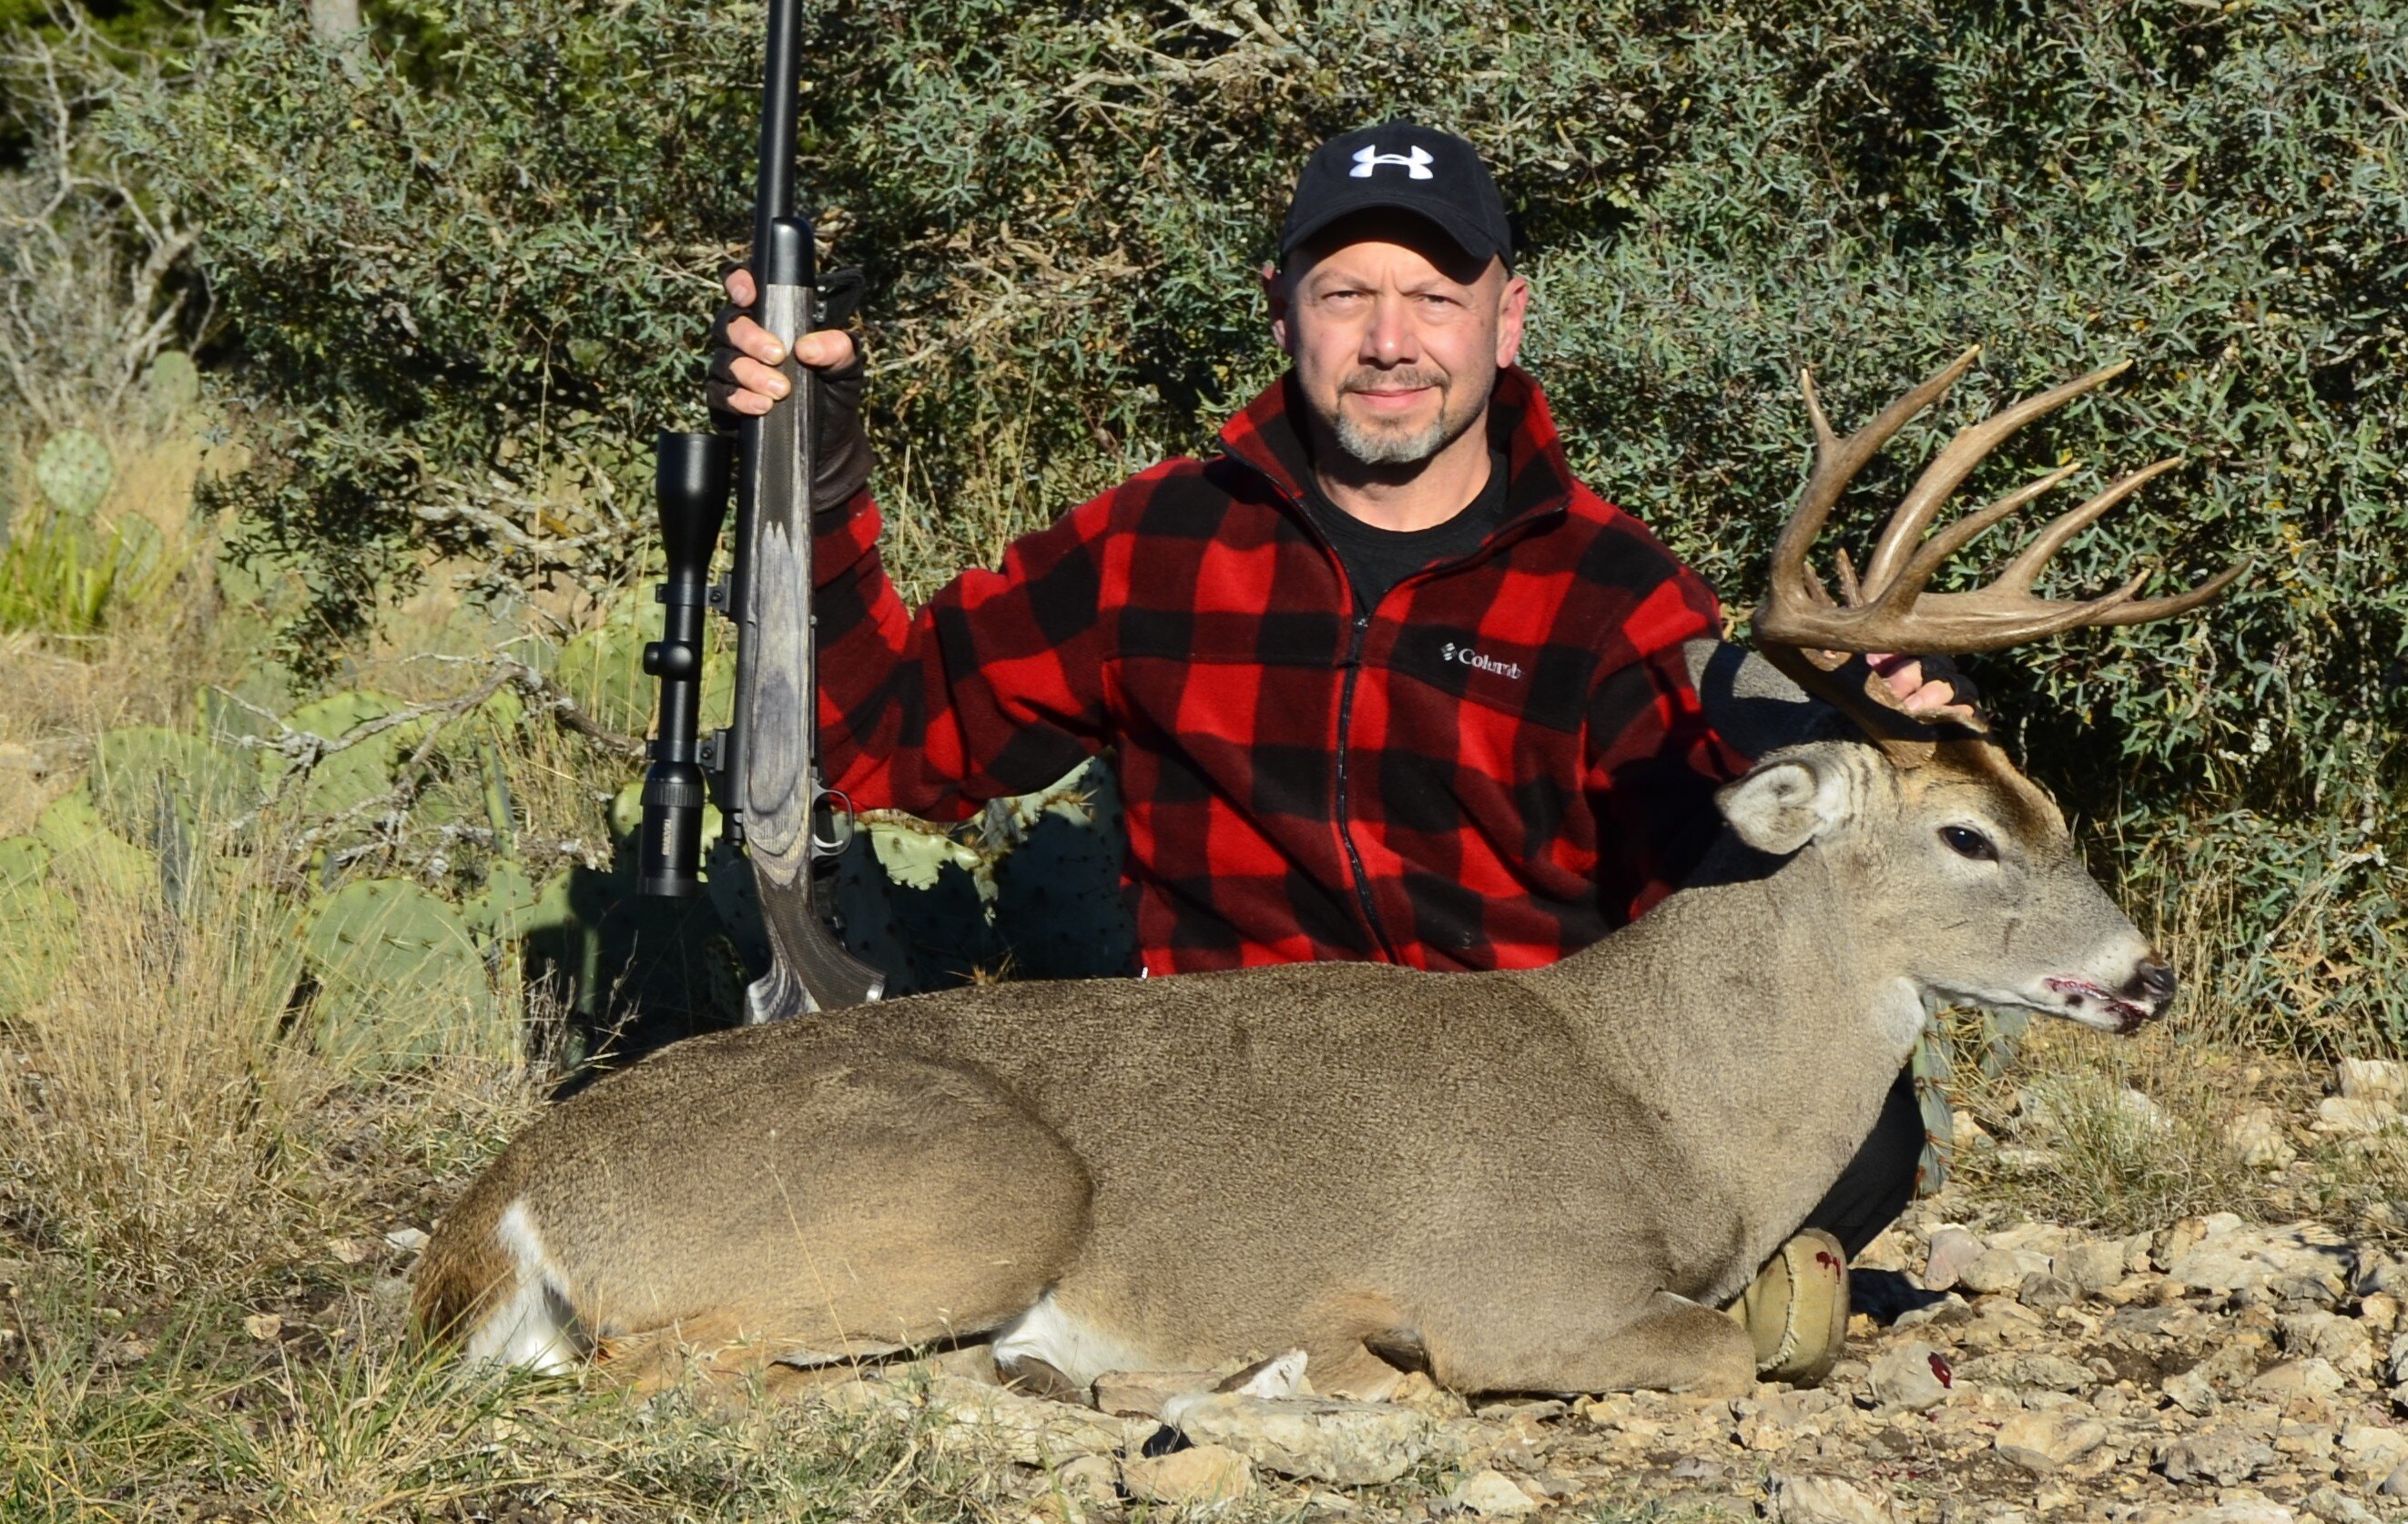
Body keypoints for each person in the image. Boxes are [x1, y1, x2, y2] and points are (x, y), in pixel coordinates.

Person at [711, 121, 1953, 1380]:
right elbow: (888, 739)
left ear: (1506, 318)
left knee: (1869, 1129)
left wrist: (1861, 734)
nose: (1390, 341)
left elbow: (1722, 875)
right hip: (1241, 1125)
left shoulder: (1612, 594)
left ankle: (1610, 1286)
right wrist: (812, 476)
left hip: (1513, 1138)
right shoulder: (1164, 546)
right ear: (1281, 311)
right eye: (1346, 293)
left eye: (1433, 296)